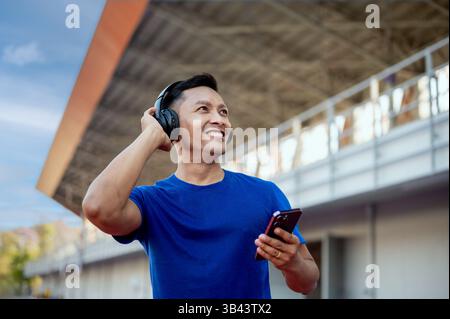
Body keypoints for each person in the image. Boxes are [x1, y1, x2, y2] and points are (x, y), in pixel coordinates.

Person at [82, 73, 319, 298]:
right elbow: (98, 208)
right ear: (170, 124)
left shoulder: (265, 194)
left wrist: (293, 263)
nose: (220, 119)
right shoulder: (151, 202)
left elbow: (308, 283)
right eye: (203, 109)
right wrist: (150, 136)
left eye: (223, 112)